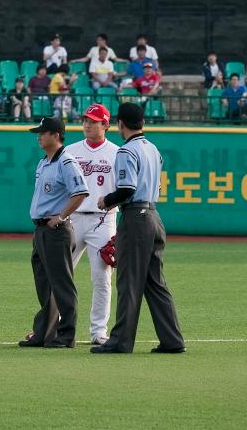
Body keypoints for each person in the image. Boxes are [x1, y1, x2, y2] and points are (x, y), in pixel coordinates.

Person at [91, 103, 185, 354]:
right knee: (155, 282)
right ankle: (173, 340)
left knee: (129, 281)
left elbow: (127, 189)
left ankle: (120, 341)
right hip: (154, 216)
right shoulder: (153, 149)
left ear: (120, 123)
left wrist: (106, 200)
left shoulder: (126, 150)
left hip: (136, 218)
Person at [20, 116, 88, 349]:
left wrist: (61, 217)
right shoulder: (44, 162)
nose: (39, 136)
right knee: (44, 284)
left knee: (61, 284)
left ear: (56, 135)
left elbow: (80, 192)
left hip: (56, 230)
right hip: (41, 229)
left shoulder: (66, 161)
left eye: (43, 132)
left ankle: (66, 335)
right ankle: (44, 333)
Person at [64, 104, 119, 346]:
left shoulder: (118, 153)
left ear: (105, 125)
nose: (87, 124)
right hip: (72, 219)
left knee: (102, 277)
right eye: (85, 119)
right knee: (60, 275)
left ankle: (98, 331)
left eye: (94, 121)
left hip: (103, 219)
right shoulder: (70, 151)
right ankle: (54, 326)